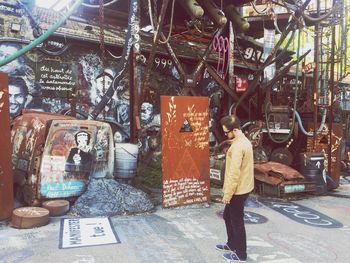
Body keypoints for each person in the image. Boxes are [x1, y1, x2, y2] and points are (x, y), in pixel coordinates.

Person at [216, 115, 254, 262]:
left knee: (237, 221)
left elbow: (234, 173)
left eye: (227, 132)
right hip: (243, 187)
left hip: (238, 190)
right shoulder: (243, 141)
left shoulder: (238, 147)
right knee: (227, 216)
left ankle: (241, 254)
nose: (225, 134)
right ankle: (232, 244)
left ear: (236, 130)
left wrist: (227, 194)